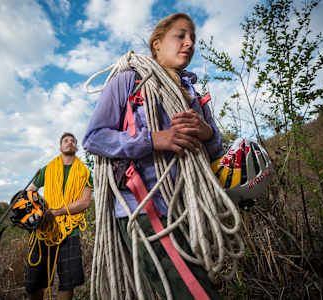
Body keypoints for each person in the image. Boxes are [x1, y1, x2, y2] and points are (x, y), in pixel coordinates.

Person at [83, 13, 224, 300]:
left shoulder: (192, 94)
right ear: (156, 44)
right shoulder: (128, 81)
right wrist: (153, 139)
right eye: (180, 36)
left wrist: (207, 133)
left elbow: (215, 154)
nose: (189, 43)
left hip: (188, 211)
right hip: (145, 209)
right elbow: (94, 138)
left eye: (192, 39)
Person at [24, 132, 93, 300]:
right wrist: (36, 212)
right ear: (60, 147)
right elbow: (30, 191)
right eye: (65, 141)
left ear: (76, 146)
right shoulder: (48, 168)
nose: (69, 143)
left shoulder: (84, 172)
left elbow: (85, 202)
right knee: (34, 282)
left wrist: (55, 212)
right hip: (44, 230)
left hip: (70, 232)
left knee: (67, 283)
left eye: (72, 141)